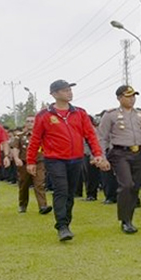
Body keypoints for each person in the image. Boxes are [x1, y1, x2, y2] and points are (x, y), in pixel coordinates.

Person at [26, 80, 107, 241]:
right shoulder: (44, 115)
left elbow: (90, 135)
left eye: (70, 90)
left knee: (70, 193)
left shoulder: (80, 113)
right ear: (54, 94)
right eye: (65, 90)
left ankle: (66, 223)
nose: (69, 93)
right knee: (61, 190)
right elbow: (35, 139)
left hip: (76, 159)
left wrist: (97, 153)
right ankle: (61, 226)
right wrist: (31, 161)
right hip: (55, 159)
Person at [96, 85, 141, 234]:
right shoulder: (110, 115)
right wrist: (101, 157)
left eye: (133, 96)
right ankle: (125, 220)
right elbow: (102, 138)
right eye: (128, 96)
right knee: (127, 185)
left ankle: (129, 218)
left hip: (137, 154)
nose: (132, 99)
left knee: (135, 187)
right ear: (119, 98)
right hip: (119, 153)